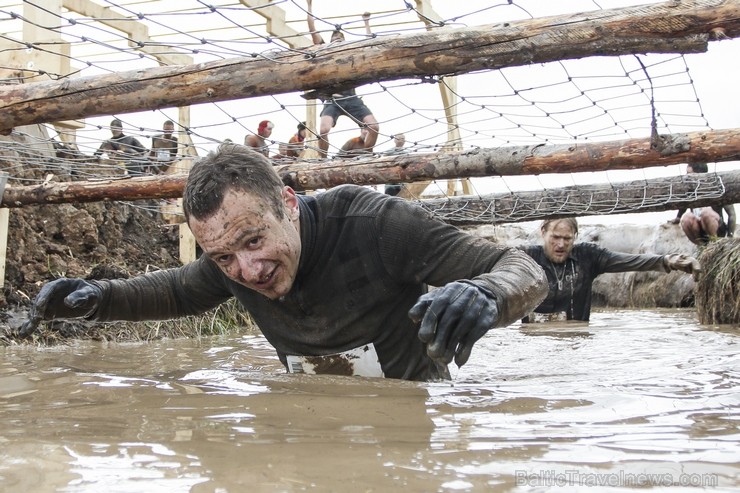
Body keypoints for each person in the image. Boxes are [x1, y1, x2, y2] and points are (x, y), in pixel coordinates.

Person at [19, 144, 548, 381]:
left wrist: (486, 294)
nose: (248, 271)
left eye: (254, 242)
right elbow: (178, 291)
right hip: (306, 418)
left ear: (289, 205)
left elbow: (522, 267)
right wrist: (96, 300)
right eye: (223, 256)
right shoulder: (232, 265)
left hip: (409, 414)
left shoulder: (380, 225)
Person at [519, 218, 701, 322]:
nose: (561, 244)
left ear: (575, 236)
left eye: (567, 239)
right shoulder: (525, 257)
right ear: (543, 232)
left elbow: (630, 261)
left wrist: (668, 261)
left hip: (575, 343)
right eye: (556, 237)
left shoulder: (587, 257)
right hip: (533, 344)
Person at [306, 1, 379, 157]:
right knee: (323, 130)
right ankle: (322, 159)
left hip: (351, 98)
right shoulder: (325, 51)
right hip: (333, 100)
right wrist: (309, 6)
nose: (337, 40)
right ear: (330, 42)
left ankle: (367, 153)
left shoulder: (350, 52)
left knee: (374, 126)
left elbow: (368, 43)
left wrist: (366, 23)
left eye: (340, 38)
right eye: (335, 39)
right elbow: (312, 30)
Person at [676, 164, 736, 245]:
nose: (686, 176)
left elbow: (731, 214)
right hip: (698, 229)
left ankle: (714, 242)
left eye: (689, 173)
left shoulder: (717, 187)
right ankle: (701, 245)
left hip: (717, 229)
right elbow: (683, 205)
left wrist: (730, 236)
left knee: (706, 212)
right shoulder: (689, 190)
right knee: (686, 218)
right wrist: (678, 217)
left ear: (700, 175)